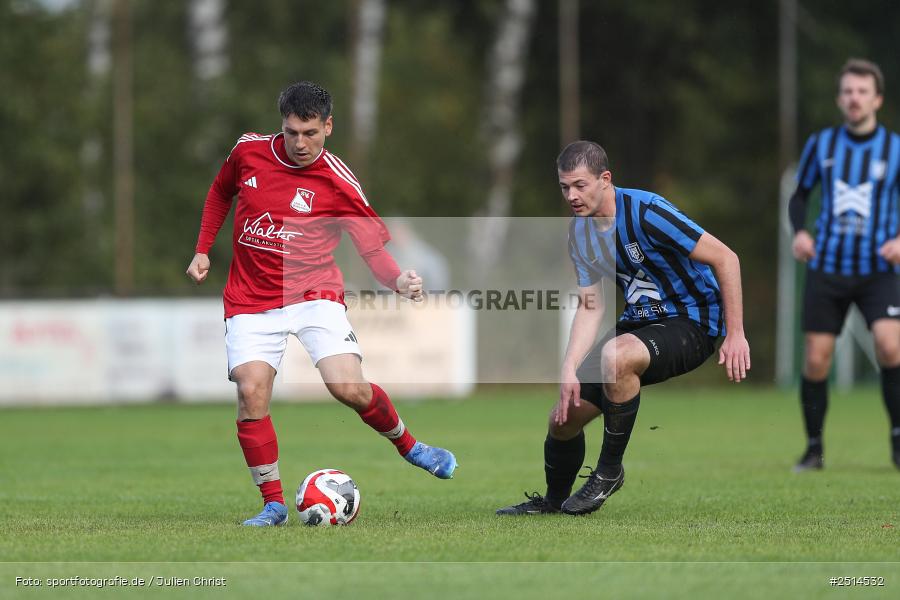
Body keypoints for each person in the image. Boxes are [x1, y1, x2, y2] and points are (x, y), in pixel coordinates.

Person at [186, 81, 457, 527]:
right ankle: (273, 504)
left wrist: (397, 279)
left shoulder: (338, 182)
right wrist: (202, 249)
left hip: (314, 294)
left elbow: (372, 250)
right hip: (250, 299)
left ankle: (412, 447)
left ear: (328, 127)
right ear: (282, 126)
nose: (300, 143)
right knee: (251, 391)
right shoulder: (248, 152)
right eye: (292, 132)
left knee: (347, 387)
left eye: (310, 133)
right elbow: (220, 192)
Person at [496, 141, 751, 516]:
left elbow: (726, 258)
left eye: (580, 185)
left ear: (605, 179)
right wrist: (568, 368)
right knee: (562, 419)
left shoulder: (648, 212)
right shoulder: (579, 233)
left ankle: (608, 472)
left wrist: (736, 333)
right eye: (565, 187)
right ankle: (553, 503)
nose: (572, 195)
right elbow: (591, 304)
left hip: (694, 321)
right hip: (639, 325)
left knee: (618, 356)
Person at [788, 58, 900, 472]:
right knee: (817, 358)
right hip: (828, 268)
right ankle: (813, 448)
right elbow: (799, 196)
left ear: (877, 99)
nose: (854, 98)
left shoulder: (895, 149)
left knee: (891, 346)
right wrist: (800, 231)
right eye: (848, 91)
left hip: (878, 271)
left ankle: (897, 440)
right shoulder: (822, 144)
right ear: (840, 99)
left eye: (862, 91)